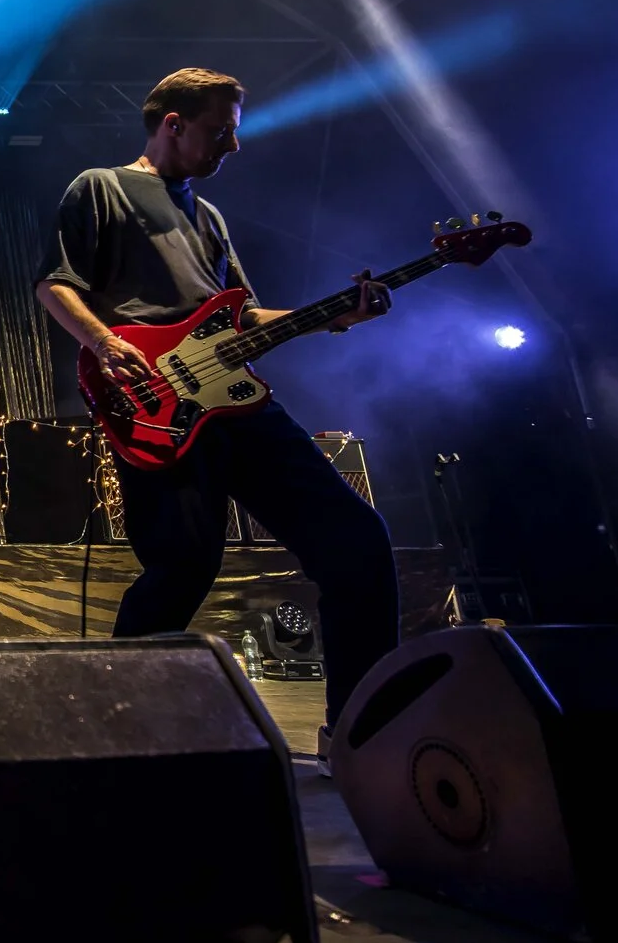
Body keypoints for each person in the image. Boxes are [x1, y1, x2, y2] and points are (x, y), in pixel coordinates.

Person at [33, 67, 397, 756]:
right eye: (220, 130)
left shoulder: (209, 216)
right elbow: (56, 284)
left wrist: (333, 316)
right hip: (155, 404)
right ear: (173, 123)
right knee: (183, 566)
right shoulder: (101, 188)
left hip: (235, 398)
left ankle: (359, 732)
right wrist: (106, 343)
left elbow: (242, 314)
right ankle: (120, 732)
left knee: (357, 542)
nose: (233, 145)